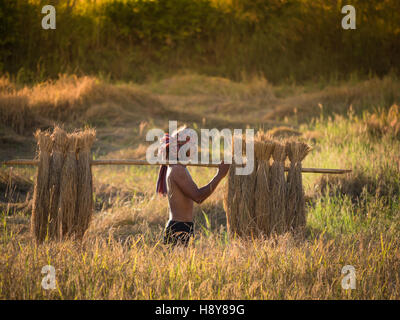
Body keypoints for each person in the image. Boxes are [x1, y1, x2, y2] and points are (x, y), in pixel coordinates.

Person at [156, 127, 230, 247]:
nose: (194, 149)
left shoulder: (179, 167)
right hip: (178, 229)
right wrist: (219, 175)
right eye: (192, 145)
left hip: (183, 227)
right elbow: (198, 197)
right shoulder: (177, 169)